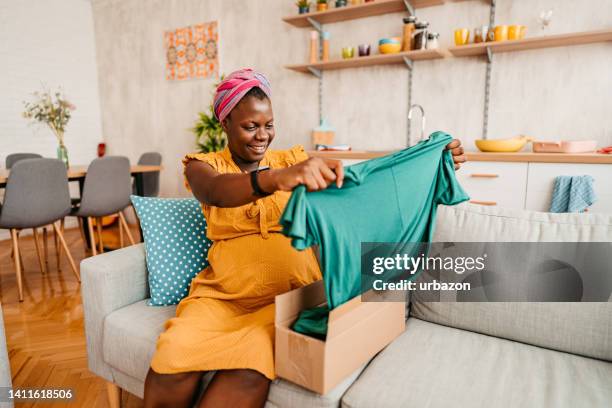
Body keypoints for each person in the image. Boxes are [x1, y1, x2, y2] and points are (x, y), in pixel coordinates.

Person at [144, 68, 466, 408]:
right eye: (250, 126)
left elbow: (359, 181)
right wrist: (276, 179)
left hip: (286, 301)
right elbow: (215, 192)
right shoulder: (203, 166)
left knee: (249, 368)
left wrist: (427, 162)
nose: (262, 135)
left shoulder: (293, 160)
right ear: (224, 123)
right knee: (172, 357)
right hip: (220, 298)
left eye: (268, 125)